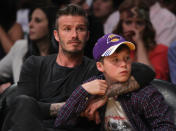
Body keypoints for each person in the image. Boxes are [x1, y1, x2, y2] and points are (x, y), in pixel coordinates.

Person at [1, 4, 155, 131]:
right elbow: (22, 104)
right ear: (56, 35)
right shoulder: (35, 64)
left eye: (80, 29)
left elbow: (146, 72)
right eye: (67, 29)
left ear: (87, 35)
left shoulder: (97, 69)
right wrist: (77, 102)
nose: (74, 35)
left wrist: (105, 94)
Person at [54, 33, 176, 130]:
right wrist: (83, 90)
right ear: (100, 66)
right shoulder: (94, 87)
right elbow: (61, 122)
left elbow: (166, 127)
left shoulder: (145, 93)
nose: (123, 64)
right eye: (115, 60)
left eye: (127, 58)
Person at [0, 5, 57, 94]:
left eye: (37, 21)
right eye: (30, 19)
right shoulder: (20, 47)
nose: (30, 24)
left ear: (51, 25)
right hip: (18, 106)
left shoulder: (62, 54)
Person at [113, 0, 169, 81]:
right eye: (128, 22)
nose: (133, 28)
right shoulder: (113, 49)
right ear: (121, 25)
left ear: (146, 26)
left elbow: (152, 80)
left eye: (139, 23)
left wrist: (139, 42)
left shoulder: (161, 50)